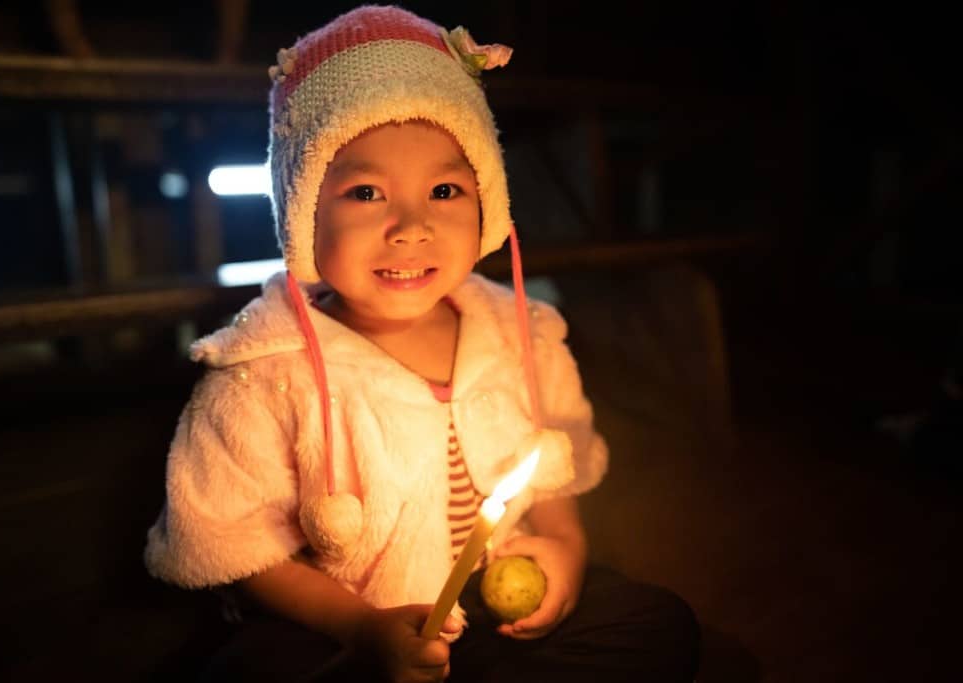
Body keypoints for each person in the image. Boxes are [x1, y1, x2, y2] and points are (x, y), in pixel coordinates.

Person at [144, 5, 700, 682]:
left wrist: (563, 550)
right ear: (303, 214)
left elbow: (555, 467)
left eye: (444, 189)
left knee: (657, 626)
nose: (411, 226)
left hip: (488, 610)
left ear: (486, 202)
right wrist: (362, 627)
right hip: (346, 623)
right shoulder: (262, 369)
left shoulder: (520, 334)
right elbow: (240, 546)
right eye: (367, 192)